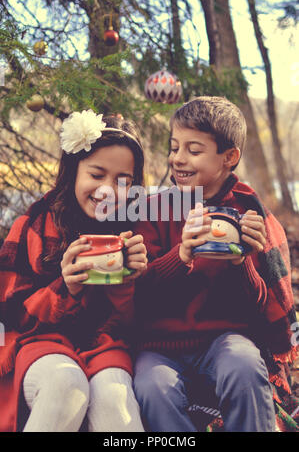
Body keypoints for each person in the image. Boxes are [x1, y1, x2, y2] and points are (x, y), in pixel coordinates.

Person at [132, 96, 298, 432]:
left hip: (226, 339)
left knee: (244, 365)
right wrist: (180, 256)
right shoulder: (155, 210)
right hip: (159, 347)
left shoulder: (249, 213)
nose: (177, 159)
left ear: (229, 157)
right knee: (153, 387)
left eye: (193, 150)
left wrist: (242, 264)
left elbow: (263, 308)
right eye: (174, 147)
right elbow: (137, 295)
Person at [0, 110, 147, 432]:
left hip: (105, 346)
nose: (108, 190)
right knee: (67, 384)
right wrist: (65, 287)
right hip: (42, 342)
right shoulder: (35, 225)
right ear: (73, 172)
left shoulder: (138, 233)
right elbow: (11, 312)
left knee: (115, 399)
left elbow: (140, 326)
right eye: (97, 175)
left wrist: (128, 283)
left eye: (123, 181)